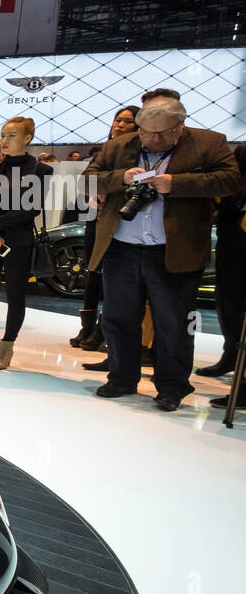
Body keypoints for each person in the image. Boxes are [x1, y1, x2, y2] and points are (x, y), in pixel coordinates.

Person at [84, 95, 240, 411]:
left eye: (162, 133)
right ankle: (121, 377)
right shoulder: (119, 145)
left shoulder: (209, 142)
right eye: (147, 133)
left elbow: (231, 180)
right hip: (122, 248)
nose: (153, 139)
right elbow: (87, 178)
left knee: (175, 324)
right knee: (118, 318)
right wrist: (120, 178)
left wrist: (177, 184)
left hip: (174, 250)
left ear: (179, 126)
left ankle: (171, 387)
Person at [0, 116, 54, 370]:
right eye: (3, 135)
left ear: (27, 138)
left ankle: (6, 347)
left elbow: (31, 209)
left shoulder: (41, 170)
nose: (4, 141)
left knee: (16, 295)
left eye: (12, 136)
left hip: (19, 241)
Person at [71, 106, 139, 347]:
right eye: (117, 120)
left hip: (119, 221)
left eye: (126, 122)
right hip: (95, 218)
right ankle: (86, 327)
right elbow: (86, 184)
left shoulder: (137, 156)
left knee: (111, 278)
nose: (119, 125)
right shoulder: (103, 153)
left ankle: (101, 330)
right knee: (93, 273)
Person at [198, 144, 246, 382]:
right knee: (228, 307)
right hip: (231, 251)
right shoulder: (232, 184)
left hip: (236, 249)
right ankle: (231, 358)